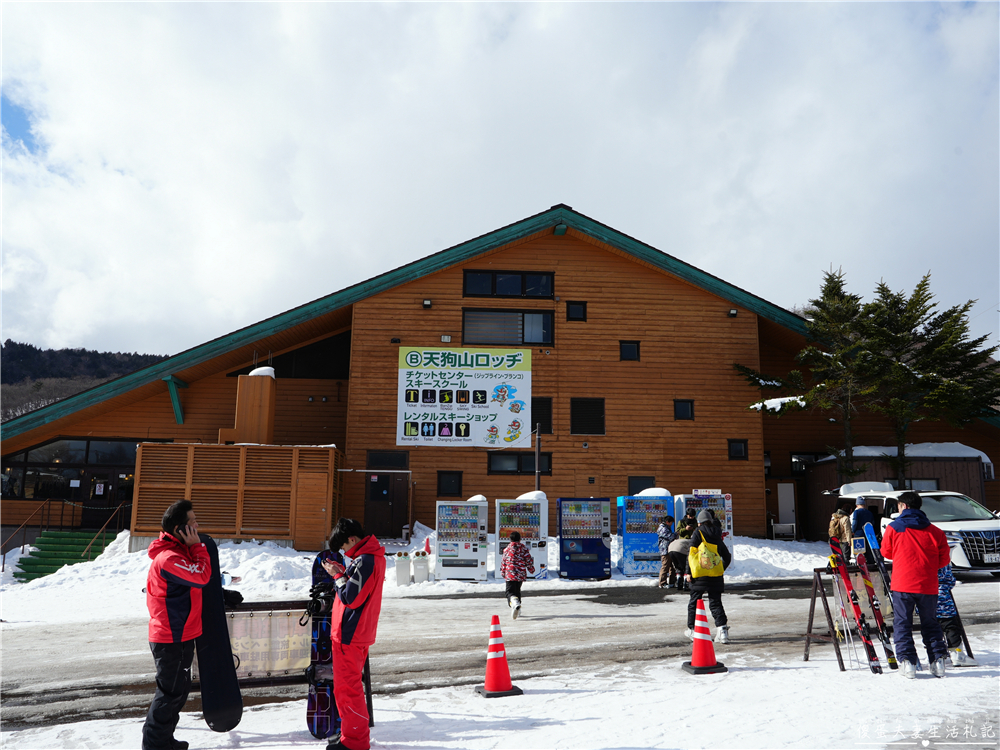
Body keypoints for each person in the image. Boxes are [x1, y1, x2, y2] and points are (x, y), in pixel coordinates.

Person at [142, 500, 211, 750]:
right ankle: (154, 744)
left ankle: (164, 740)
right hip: (171, 636)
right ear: (181, 529)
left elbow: (193, 582)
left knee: (178, 693)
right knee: (169, 693)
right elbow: (201, 576)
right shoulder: (170, 558)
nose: (197, 525)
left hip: (180, 633)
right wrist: (198, 547)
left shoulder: (179, 554)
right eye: (193, 522)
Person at [321, 518, 386, 750]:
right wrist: (342, 574)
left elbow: (350, 597)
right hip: (355, 632)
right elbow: (358, 590)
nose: (344, 553)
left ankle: (355, 741)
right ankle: (351, 734)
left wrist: (337, 576)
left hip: (350, 633)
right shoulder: (370, 557)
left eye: (343, 547)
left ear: (352, 539)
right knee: (348, 687)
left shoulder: (366, 560)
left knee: (348, 689)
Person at [880, 491, 951, 679]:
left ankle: (908, 662)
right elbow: (944, 559)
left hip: (903, 583)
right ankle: (938, 661)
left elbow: (886, 552)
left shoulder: (894, 528)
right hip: (928, 584)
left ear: (904, 506)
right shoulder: (935, 531)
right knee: (931, 623)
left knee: (903, 623)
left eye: (898, 505)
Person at [684, 510, 732, 644]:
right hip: (715, 575)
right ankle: (722, 632)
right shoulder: (717, 534)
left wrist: (688, 572)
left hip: (699, 574)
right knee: (716, 602)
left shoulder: (698, 532)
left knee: (694, 601)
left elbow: (691, 553)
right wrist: (720, 568)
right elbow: (727, 556)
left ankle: (692, 630)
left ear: (699, 522)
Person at [935, 564, 968, 666]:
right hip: (943, 599)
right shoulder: (941, 556)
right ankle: (957, 654)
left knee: (932, 629)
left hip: (925, 598)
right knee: (951, 627)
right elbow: (949, 579)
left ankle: (937, 655)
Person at [500, 530, 535, 619]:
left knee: (509, 592)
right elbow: (528, 560)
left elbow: (504, 562)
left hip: (510, 573)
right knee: (517, 590)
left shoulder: (507, 549)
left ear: (510, 539)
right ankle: (518, 609)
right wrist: (531, 569)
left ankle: (515, 603)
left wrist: (503, 572)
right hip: (520, 574)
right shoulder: (524, 548)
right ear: (520, 539)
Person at [667, 520, 694, 591]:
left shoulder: (681, 540)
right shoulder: (691, 541)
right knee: (686, 567)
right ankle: (686, 584)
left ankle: (679, 583)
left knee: (678, 568)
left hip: (670, 549)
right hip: (680, 550)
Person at [656, 516, 678, 588]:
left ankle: (672, 582)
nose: (672, 524)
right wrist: (676, 534)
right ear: (667, 522)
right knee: (665, 566)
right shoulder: (663, 528)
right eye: (671, 522)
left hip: (669, 549)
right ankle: (662, 583)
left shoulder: (666, 527)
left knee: (672, 566)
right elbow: (670, 537)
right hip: (664, 550)